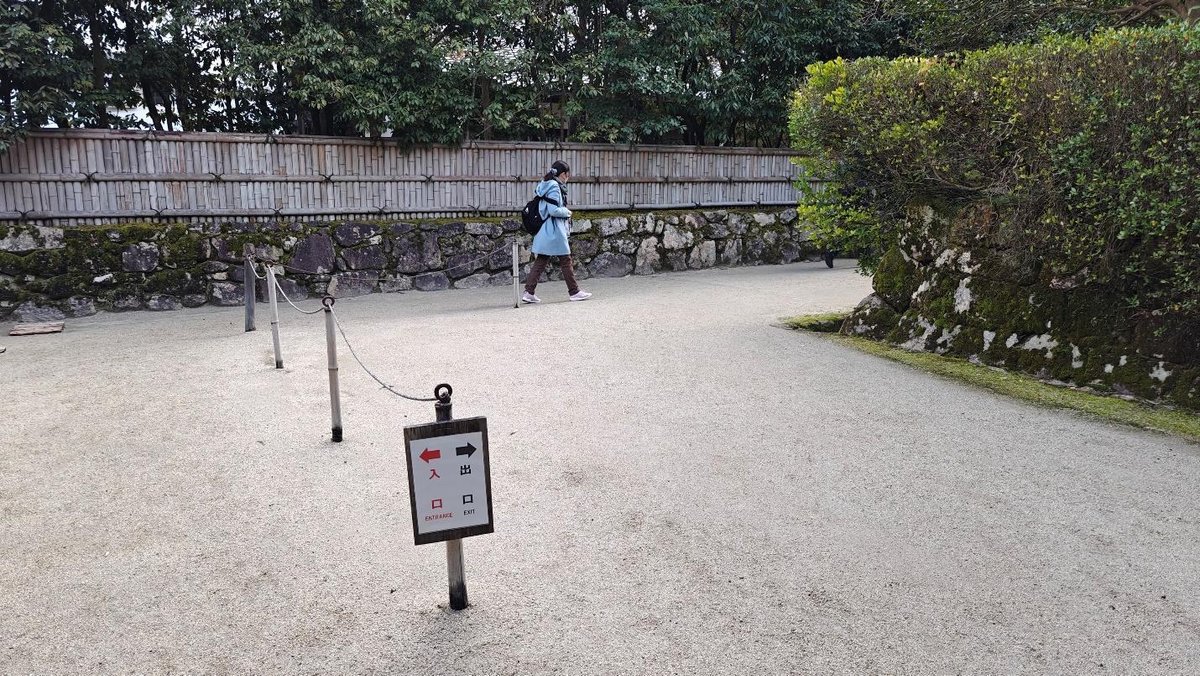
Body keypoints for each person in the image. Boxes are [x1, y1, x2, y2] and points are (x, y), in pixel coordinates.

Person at [522, 160, 592, 303]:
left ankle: (529, 292)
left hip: (546, 230)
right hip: (553, 230)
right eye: (567, 174)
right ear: (563, 174)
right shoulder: (554, 186)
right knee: (565, 260)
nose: (568, 177)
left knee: (541, 260)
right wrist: (567, 212)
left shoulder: (546, 184)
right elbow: (553, 210)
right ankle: (574, 292)